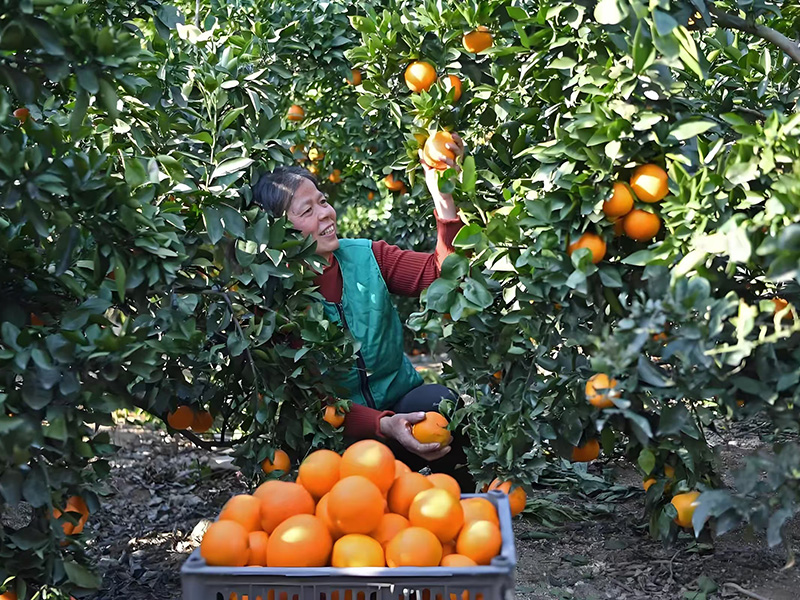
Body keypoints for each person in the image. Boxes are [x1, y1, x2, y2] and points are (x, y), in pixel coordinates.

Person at [251, 136, 473, 489]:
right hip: (344, 439)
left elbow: (444, 276)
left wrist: (445, 201)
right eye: (307, 211)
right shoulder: (276, 306)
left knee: (440, 405)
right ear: (277, 233)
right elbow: (311, 401)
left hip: (405, 408)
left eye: (322, 202)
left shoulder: (367, 256)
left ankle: (460, 503)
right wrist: (381, 424)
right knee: (353, 500)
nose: (325, 213)